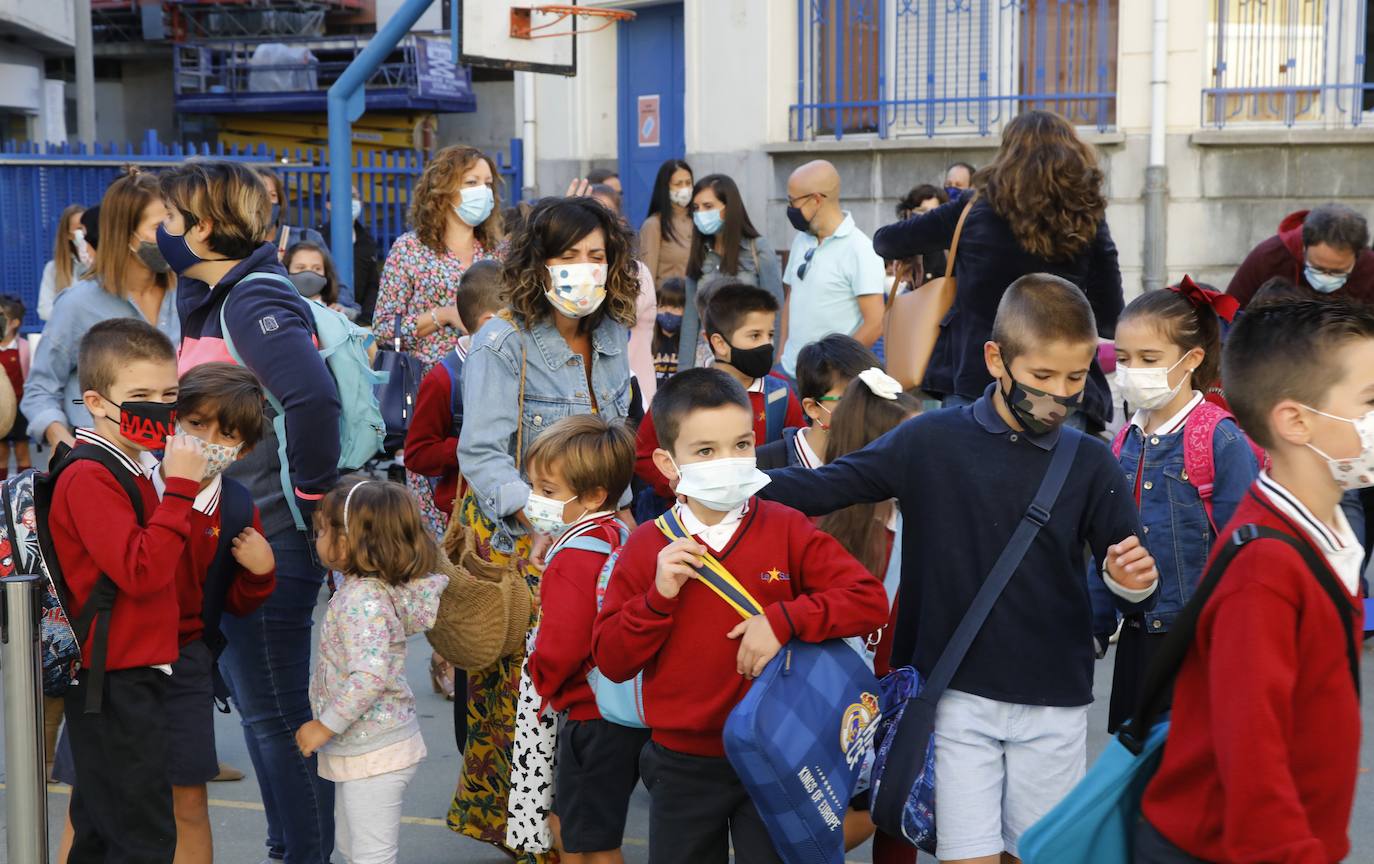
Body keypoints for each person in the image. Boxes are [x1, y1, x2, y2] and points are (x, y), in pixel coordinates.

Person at [760, 274, 1161, 864]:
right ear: (996, 358)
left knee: (1040, 855)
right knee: (965, 855)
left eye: (1075, 379)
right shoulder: (928, 440)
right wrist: (722, 486)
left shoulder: (1092, 463)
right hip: (953, 696)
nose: (1058, 396)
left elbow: (1133, 582)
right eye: (1042, 377)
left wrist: (1133, 584)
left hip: (1055, 701)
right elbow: (827, 487)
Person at [592, 367, 888, 864]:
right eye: (705, 451)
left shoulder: (786, 528)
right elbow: (612, 660)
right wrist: (657, 599)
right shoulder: (647, 546)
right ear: (668, 462)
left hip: (778, 753)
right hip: (682, 762)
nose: (728, 462)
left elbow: (867, 599)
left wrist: (784, 620)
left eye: (741, 444)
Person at [1137, 300, 1368, 864]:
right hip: (1227, 847)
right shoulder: (1265, 572)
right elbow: (1253, 761)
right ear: (1296, 421)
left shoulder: (1319, 529)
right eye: (1369, 401)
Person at [160, 159, 342, 864]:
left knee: (278, 715)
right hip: (236, 531)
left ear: (204, 227)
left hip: (271, 536)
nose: (164, 235)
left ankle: (305, 852)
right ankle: (290, 845)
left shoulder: (248, 302)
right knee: (267, 713)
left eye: (172, 223)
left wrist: (310, 503)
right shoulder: (212, 296)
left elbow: (313, 398)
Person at [453, 195, 640, 862]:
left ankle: (572, 838)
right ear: (538, 262)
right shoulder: (501, 341)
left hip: (602, 554)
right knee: (525, 721)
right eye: (568, 257)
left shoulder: (615, 334)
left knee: (588, 721)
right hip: (528, 559)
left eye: (596, 257)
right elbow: (478, 453)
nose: (584, 270)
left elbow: (623, 439)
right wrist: (540, 511)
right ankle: (534, 846)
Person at [49, 319, 207, 863]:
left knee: (101, 828)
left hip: (130, 668)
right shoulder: (90, 476)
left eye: (169, 394)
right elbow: (141, 570)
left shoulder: (135, 466)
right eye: (140, 396)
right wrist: (183, 488)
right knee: (140, 834)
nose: (159, 408)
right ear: (95, 401)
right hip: (113, 677)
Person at [873, 111, 1123, 434]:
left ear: (1007, 155)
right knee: (1054, 482)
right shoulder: (1086, 217)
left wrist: (918, 255)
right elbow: (1110, 317)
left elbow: (885, 240)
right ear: (1072, 156)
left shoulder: (973, 208)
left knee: (968, 481)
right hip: (1058, 388)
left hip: (977, 381)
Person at [1106, 284, 1260, 732]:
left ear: (1190, 360)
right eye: (1124, 358)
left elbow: (1245, 548)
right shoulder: (1123, 441)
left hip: (1198, 642)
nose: (1133, 371)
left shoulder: (1220, 439)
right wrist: (1094, 625)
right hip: (1137, 638)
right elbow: (1109, 543)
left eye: (1149, 359)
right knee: (1132, 777)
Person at [296, 479, 448, 864]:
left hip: (375, 749)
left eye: (322, 530)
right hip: (367, 744)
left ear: (349, 542)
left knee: (370, 856)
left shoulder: (364, 599)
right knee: (352, 848)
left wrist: (324, 725)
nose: (318, 538)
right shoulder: (367, 588)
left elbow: (369, 676)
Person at [523, 414, 646, 864]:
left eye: (549, 491)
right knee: (581, 823)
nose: (536, 500)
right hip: (616, 707)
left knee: (588, 838)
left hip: (590, 713)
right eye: (534, 486)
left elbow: (561, 647)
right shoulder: (616, 532)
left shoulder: (573, 557)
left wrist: (544, 679)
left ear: (594, 495)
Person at [24, 169, 179, 452]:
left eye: (174, 222)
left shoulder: (188, 295)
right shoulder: (77, 304)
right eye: (159, 227)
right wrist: (67, 447)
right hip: (105, 469)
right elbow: (40, 390)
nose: (172, 236)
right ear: (125, 234)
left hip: (180, 468)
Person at [635, 281, 805, 508]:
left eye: (770, 335)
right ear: (719, 343)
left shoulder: (780, 393)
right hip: (691, 518)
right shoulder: (682, 392)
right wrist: (674, 483)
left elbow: (796, 456)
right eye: (755, 336)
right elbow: (643, 455)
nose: (767, 345)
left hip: (758, 516)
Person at [404, 258, 503, 530]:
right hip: (468, 522)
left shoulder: (519, 366)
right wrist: (468, 446)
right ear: (491, 323)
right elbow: (417, 454)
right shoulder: (445, 379)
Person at [779, 160, 886, 379]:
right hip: (790, 371)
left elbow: (876, 323)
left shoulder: (860, 249)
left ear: (816, 199)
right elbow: (792, 298)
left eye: (793, 201)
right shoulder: (801, 239)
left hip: (828, 381)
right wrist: (781, 354)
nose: (790, 208)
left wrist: (832, 369)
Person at [678, 174, 784, 368]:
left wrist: (771, 362)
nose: (700, 213)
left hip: (750, 355)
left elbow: (776, 311)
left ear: (729, 209)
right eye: (696, 208)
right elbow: (690, 320)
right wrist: (683, 372)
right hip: (706, 360)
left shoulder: (757, 249)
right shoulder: (700, 253)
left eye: (708, 206)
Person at [756, 334, 878, 470]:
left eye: (873, 397)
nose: (865, 408)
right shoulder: (764, 466)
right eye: (852, 399)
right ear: (812, 407)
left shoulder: (875, 457)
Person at [1226, 203, 1374, 307]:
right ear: (1304, 247)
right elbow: (1227, 317)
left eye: (1338, 272)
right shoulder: (1268, 257)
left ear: (1357, 256)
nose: (1326, 278)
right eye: (1318, 269)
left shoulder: (1369, 268)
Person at [318, 185, 382, 323]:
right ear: (328, 205)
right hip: (326, 317)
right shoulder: (318, 238)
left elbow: (372, 284)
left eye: (353, 197)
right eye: (342, 197)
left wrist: (366, 319)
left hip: (361, 320)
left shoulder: (367, 240)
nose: (349, 201)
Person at [640, 160, 695, 283]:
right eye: (678, 184)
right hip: (668, 299)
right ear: (665, 187)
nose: (685, 189)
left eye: (688, 183)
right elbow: (648, 278)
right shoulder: (654, 225)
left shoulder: (698, 220)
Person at [38, 204, 90, 321]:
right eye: (79, 228)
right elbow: (44, 310)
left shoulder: (103, 265)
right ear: (68, 234)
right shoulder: (53, 268)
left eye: (86, 227)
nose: (84, 233)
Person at [0, 295, 30, 477]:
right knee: (1, 453)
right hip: (1, 410)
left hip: (20, 408)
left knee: (22, 452)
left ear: (14, 323)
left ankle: (27, 494)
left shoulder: (24, 348)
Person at [284, 241, 342, 308]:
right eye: (301, 268)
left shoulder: (336, 313)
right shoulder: (278, 309)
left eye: (317, 268)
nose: (309, 275)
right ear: (286, 270)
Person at [652, 276, 686, 389]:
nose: (667, 312)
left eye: (675, 307)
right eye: (662, 306)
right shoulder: (649, 341)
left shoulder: (689, 345)